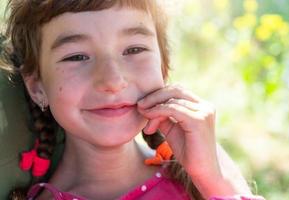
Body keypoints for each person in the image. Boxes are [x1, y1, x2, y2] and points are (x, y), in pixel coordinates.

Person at [0, 0, 265, 199]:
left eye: (134, 49)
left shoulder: (206, 170)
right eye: (77, 56)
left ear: (163, 67)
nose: (113, 80)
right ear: (37, 86)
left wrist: (214, 182)